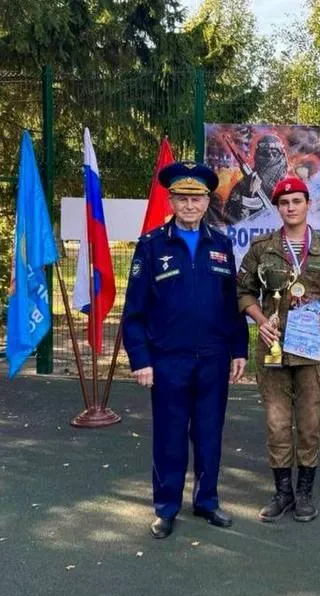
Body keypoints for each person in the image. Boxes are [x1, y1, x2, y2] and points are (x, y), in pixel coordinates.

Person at [121, 162, 249, 539]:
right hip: (168, 360)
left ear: (208, 200)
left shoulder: (221, 245)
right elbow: (134, 312)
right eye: (182, 198)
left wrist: (239, 349)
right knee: (170, 435)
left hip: (213, 357)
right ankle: (166, 507)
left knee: (210, 433)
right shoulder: (151, 245)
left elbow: (232, 305)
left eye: (197, 198)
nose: (190, 205)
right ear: (171, 200)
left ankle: (207, 501)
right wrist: (141, 359)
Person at [236, 177, 320, 523]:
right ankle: (282, 492)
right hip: (273, 349)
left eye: (297, 201)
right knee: (276, 423)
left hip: (312, 351)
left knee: (310, 424)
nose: (291, 207)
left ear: (307, 204)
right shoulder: (261, 248)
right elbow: (243, 292)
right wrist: (259, 319)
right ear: (278, 207)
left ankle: (304, 493)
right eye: (284, 203)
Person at [225, 134, 288, 221]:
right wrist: (250, 194)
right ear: (258, 155)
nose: (270, 157)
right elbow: (231, 221)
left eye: (275, 153)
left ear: (281, 155)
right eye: (265, 153)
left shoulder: (289, 185)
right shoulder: (242, 186)